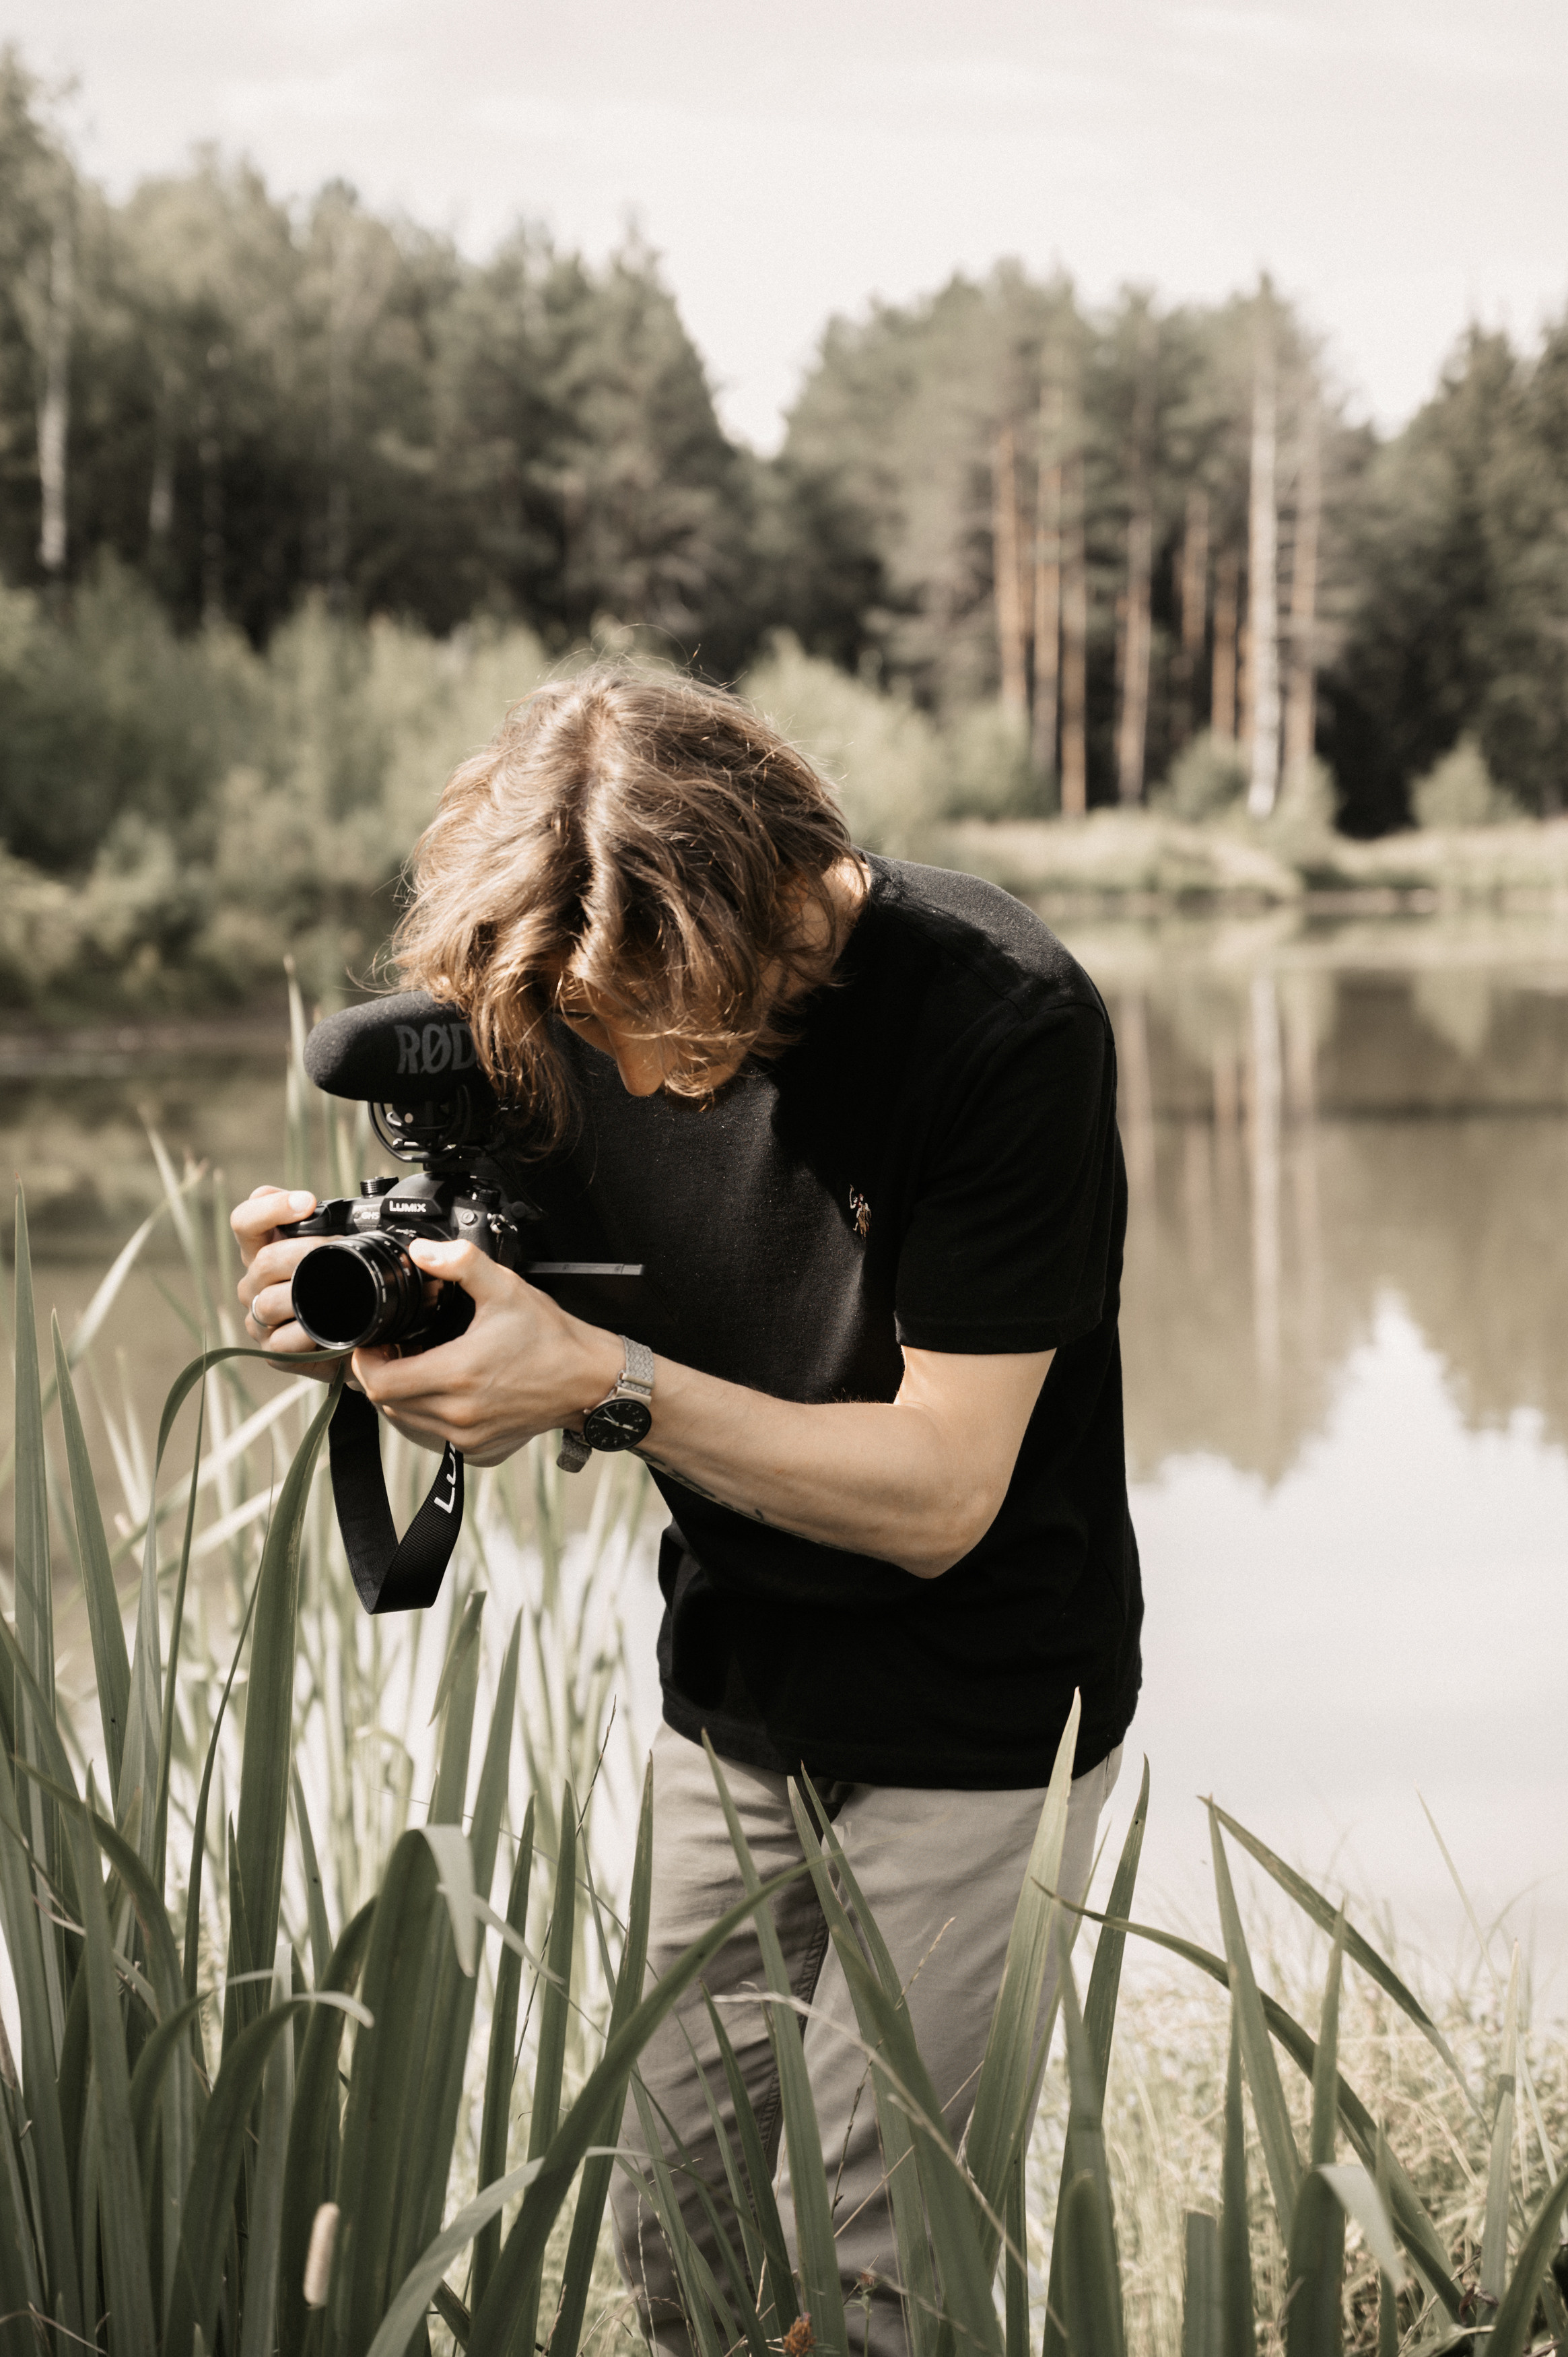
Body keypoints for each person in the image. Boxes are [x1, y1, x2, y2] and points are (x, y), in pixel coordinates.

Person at [232, 664, 1142, 2357]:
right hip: (728, 1687)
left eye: (661, 1016)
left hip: (983, 1707)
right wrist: (398, 1348)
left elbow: (943, 1493)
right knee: (676, 2238)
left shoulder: (1002, 1022)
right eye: (590, 1032)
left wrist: (599, 1378)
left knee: (887, 2274)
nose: (634, 1077)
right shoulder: (559, 1002)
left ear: (775, 902)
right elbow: (529, 1364)